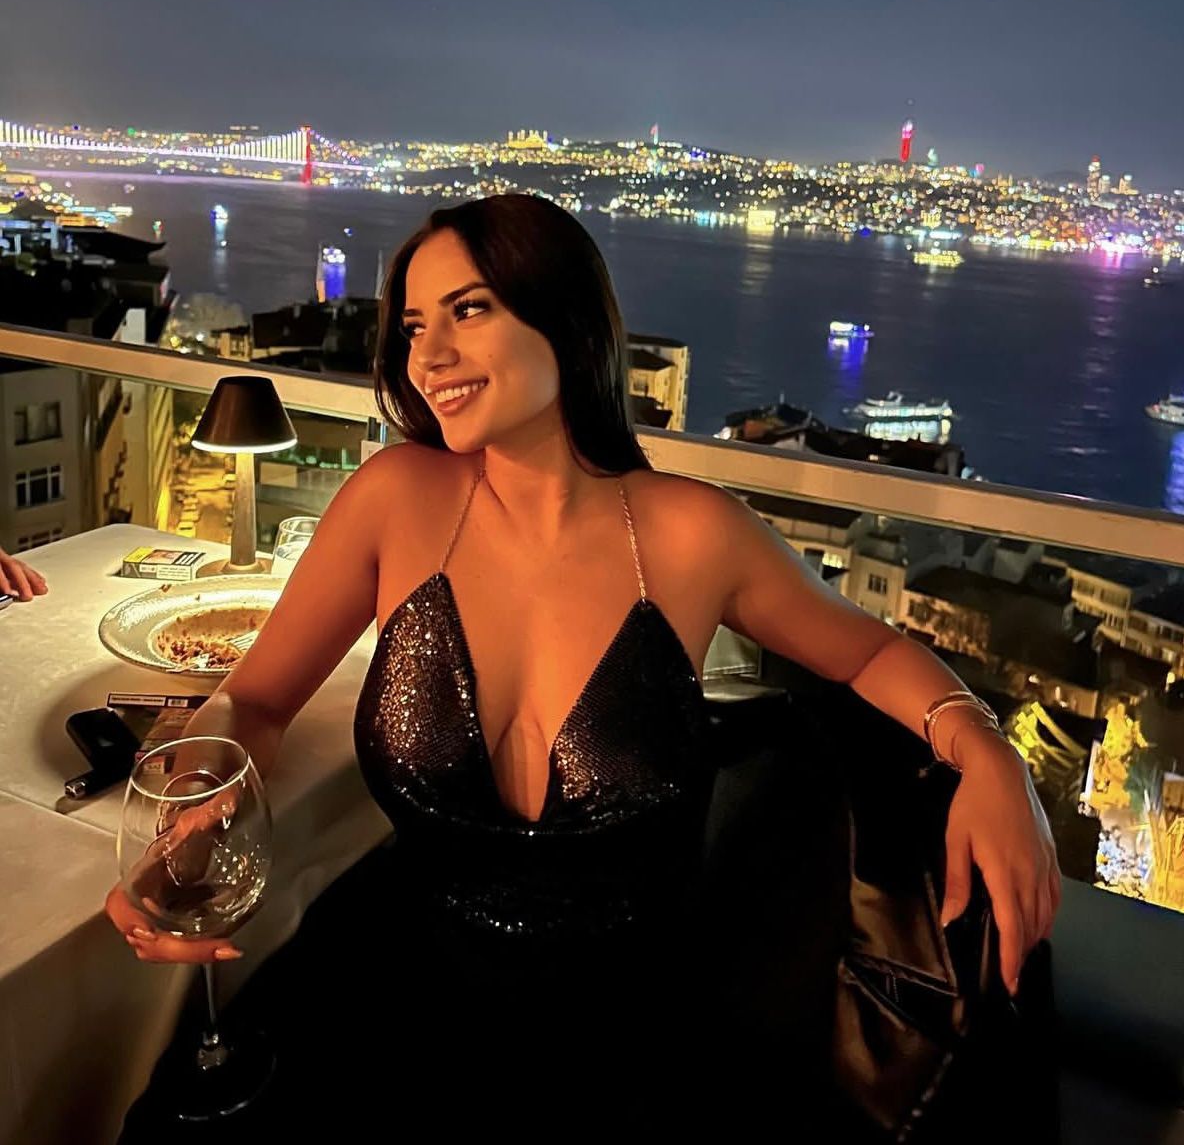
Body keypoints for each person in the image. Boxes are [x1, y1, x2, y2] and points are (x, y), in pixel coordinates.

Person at [106, 193, 1060, 1124]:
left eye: (468, 310)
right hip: (397, 1000)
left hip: (629, 1042)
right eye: (414, 326)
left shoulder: (692, 535)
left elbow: (868, 652)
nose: (427, 357)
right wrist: (192, 803)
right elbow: (255, 702)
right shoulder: (395, 500)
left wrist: (989, 752)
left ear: (563, 318)